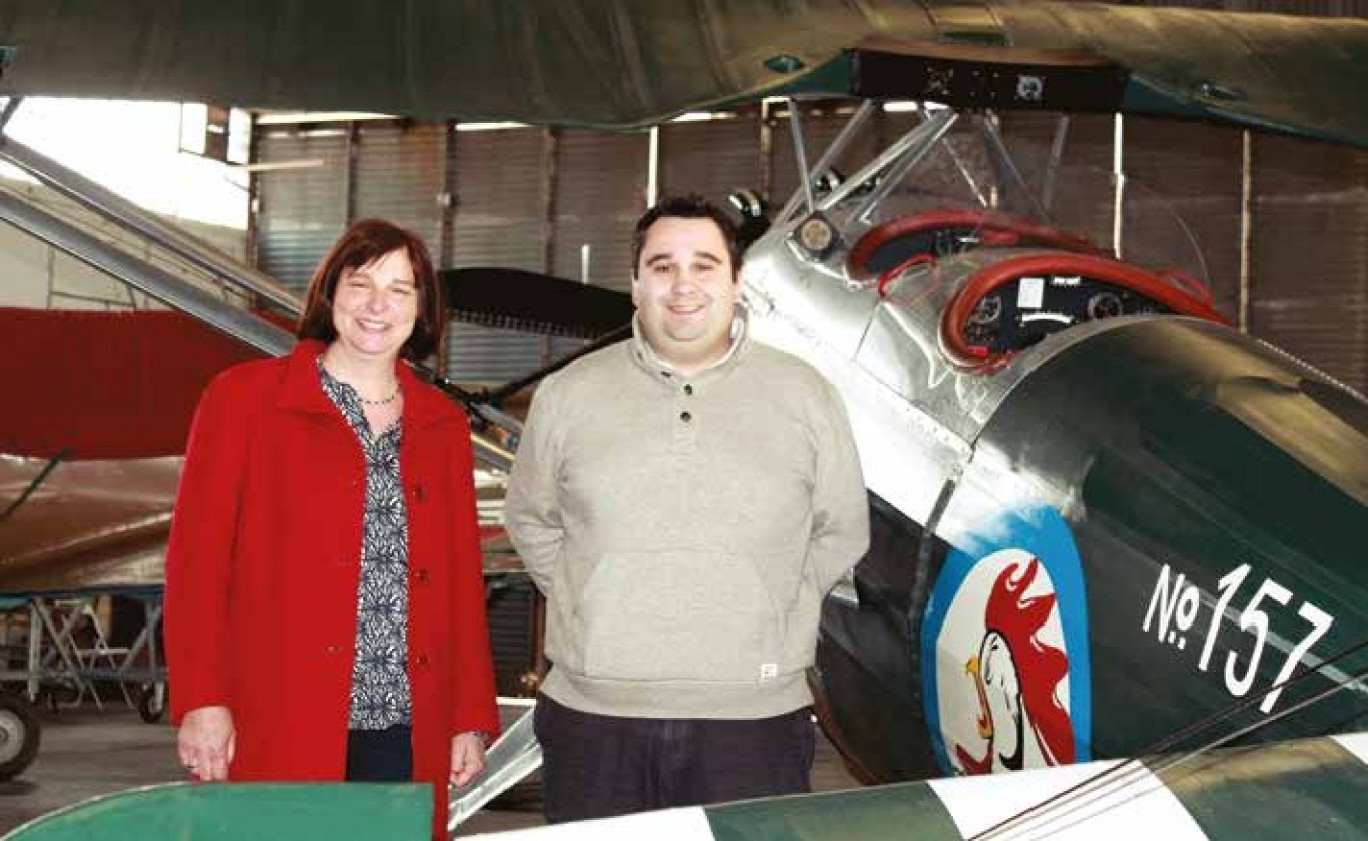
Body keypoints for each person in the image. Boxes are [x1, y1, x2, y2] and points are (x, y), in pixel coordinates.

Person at [503, 194, 870, 822]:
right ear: (635, 285)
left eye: (703, 265)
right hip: (595, 720)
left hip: (753, 724)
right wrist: (592, 593)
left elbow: (840, 530)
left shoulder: (806, 395)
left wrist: (767, 606)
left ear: (736, 282)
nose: (683, 285)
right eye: (663, 266)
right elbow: (532, 518)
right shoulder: (567, 395)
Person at [166, 219, 499, 837]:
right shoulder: (242, 400)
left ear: (421, 311)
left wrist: (469, 714)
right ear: (330, 293)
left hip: (406, 720)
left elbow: (459, 579)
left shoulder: (442, 425)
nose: (379, 305)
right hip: (277, 711)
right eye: (362, 283)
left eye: (401, 290)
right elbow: (196, 565)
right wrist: (202, 700)